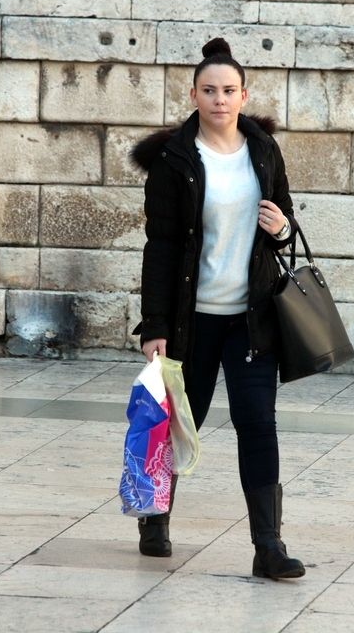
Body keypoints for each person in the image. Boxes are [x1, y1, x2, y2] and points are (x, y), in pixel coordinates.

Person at [130, 38, 305, 580]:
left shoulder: (263, 151)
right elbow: (161, 246)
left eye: (229, 90)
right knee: (179, 422)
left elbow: (284, 221)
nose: (219, 99)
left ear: (244, 96)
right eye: (209, 90)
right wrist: (155, 325)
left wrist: (282, 229)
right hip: (193, 320)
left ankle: (268, 546)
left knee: (258, 424)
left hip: (252, 319)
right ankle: (155, 515)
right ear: (194, 95)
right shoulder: (174, 159)